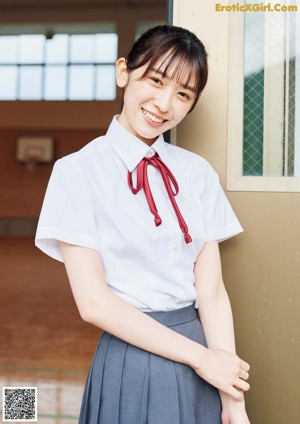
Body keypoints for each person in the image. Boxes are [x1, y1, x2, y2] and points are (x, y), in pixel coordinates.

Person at [35, 24, 251, 424]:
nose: (164, 103)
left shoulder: (196, 173)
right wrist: (204, 359)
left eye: (183, 94)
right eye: (156, 80)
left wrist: (232, 399)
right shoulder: (77, 172)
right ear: (123, 73)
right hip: (131, 359)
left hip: (202, 357)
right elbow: (94, 304)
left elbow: (213, 293)